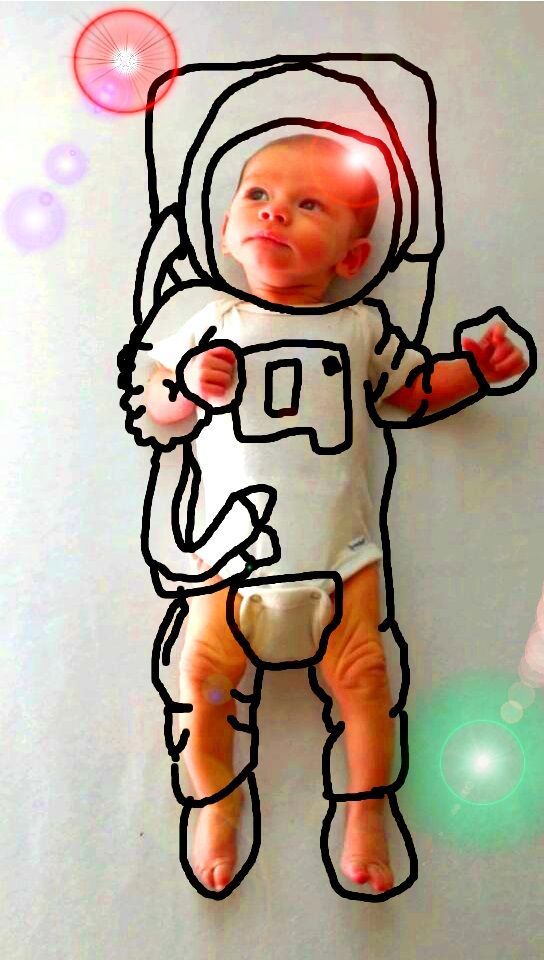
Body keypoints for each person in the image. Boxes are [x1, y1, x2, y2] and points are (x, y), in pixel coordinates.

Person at [144, 134, 528, 894]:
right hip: (231, 554)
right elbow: (157, 399)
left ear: (351, 258)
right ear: (226, 229)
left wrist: (474, 373)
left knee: (365, 680)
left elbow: (412, 389)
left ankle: (364, 815)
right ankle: (215, 803)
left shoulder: (359, 327)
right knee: (204, 677)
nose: (274, 212)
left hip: (341, 558)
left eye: (308, 204)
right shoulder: (211, 322)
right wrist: (184, 385)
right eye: (258, 196)